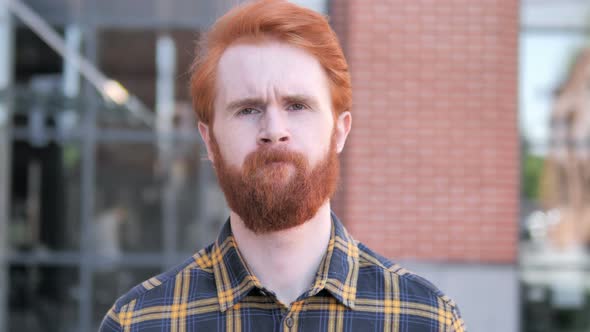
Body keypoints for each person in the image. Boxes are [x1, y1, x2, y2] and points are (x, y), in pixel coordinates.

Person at [99, 0, 466, 331]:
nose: (274, 131)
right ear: (209, 141)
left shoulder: (426, 319)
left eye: (297, 106)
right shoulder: (140, 322)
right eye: (248, 109)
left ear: (340, 131)